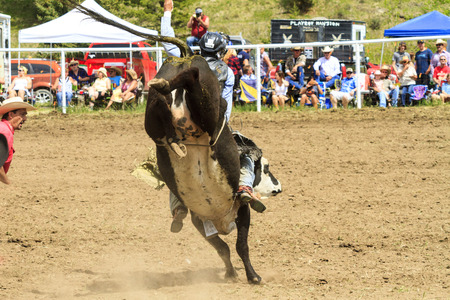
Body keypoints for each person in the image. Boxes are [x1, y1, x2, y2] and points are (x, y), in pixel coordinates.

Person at [160, 0, 264, 233]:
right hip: (214, 128)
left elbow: (168, 43)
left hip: (183, 129)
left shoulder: (188, 60)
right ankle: (245, 187)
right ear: (220, 51)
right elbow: (224, 108)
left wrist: (167, 13)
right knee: (249, 153)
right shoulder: (227, 72)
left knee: (170, 166)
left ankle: (178, 207)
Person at [0, 97, 36, 184]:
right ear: (11, 115)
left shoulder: (3, 128)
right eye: (22, 114)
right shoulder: (5, 132)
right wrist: (7, 183)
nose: (25, 119)